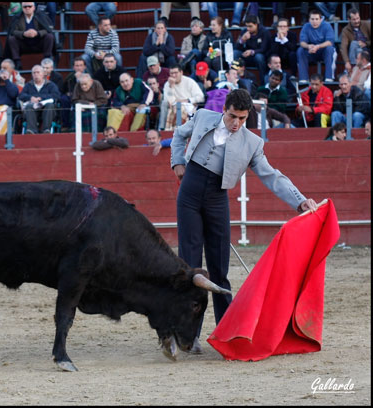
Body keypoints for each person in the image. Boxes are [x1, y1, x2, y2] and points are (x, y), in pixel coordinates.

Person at [171, 88, 318, 353]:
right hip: (189, 193)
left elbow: (271, 175)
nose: (236, 123)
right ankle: (186, 335)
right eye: (232, 116)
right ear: (223, 109)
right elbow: (178, 135)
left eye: (241, 118)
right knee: (190, 268)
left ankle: (227, 334)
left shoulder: (252, 142)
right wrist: (177, 162)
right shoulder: (204, 116)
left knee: (219, 270)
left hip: (217, 199)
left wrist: (300, 199)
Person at [6, 2, 54, 70]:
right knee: (11, 39)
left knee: (49, 36)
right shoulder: (17, 17)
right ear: (22, 8)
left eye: (29, 6)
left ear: (34, 7)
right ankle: (17, 62)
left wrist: (37, 33)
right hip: (23, 44)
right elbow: (13, 31)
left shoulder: (40, 16)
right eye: (25, 7)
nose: (27, 8)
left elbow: (47, 30)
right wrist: (23, 34)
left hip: (38, 43)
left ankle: (46, 60)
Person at [18, 65, 61, 134]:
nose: (36, 74)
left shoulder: (50, 84)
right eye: (34, 73)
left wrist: (41, 98)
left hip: (46, 109)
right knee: (29, 106)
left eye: (38, 72)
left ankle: (46, 130)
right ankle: (32, 130)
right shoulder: (28, 85)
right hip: (33, 108)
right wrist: (30, 98)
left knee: (50, 105)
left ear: (43, 74)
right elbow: (21, 95)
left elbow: (57, 96)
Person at [297, 9, 336, 84]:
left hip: (323, 51)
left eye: (316, 19)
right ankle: (303, 79)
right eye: (312, 19)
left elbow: (330, 42)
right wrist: (308, 46)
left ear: (321, 19)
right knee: (300, 50)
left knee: (330, 49)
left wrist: (318, 46)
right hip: (311, 51)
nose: (314, 21)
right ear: (309, 19)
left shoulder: (327, 26)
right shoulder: (306, 26)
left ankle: (329, 78)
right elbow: (302, 42)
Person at [161, 64, 205, 130]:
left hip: (188, 106)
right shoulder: (168, 84)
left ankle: (179, 129)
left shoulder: (189, 81)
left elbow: (201, 97)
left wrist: (187, 100)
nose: (173, 75)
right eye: (171, 73)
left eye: (175, 73)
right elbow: (169, 101)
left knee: (179, 106)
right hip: (173, 106)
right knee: (164, 103)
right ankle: (162, 128)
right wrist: (171, 87)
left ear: (181, 72)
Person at [233, 14, 270, 85]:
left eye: (250, 26)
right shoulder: (244, 32)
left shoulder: (264, 32)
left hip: (259, 56)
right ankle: (235, 79)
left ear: (256, 24)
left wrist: (252, 52)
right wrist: (242, 40)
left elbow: (264, 48)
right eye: (247, 26)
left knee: (259, 57)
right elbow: (236, 47)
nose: (248, 28)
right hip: (246, 56)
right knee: (235, 53)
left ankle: (263, 83)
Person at [60, 57, 89, 131]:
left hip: (87, 97)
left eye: (81, 65)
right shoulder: (70, 76)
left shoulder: (89, 76)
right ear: (73, 67)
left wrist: (80, 80)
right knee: (64, 99)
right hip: (72, 97)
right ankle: (65, 125)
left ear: (84, 66)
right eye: (77, 65)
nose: (79, 68)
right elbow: (63, 89)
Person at [341, 8, 371, 73]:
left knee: (357, 47)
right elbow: (343, 47)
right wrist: (347, 62)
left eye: (358, 18)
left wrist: (366, 43)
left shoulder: (367, 24)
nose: (357, 21)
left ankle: (353, 70)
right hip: (355, 53)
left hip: (368, 50)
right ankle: (354, 67)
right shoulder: (345, 30)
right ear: (349, 19)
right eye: (354, 19)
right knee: (354, 44)